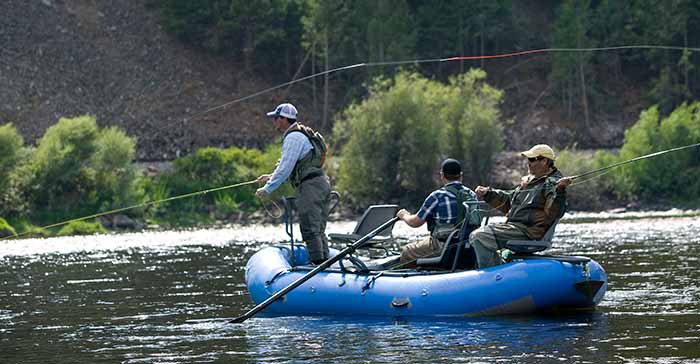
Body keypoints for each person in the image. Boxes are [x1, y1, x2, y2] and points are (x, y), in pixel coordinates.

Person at [470, 144, 572, 268]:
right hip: (515, 228)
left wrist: (560, 190)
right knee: (472, 236)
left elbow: (554, 212)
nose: (527, 163)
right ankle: (495, 269)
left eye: (531, 159)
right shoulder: (530, 182)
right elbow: (508, 201)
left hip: (529, 232)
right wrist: (488, 193)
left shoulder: (552, 184)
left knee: (480, 236)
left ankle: (490, 276)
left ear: (544, 161)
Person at [255, 102, 331, 265]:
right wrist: (270, 177)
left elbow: (285, 168)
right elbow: (288, 164)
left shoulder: (293, 137)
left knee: (310, 228)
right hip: (319, 183)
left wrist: (267, 189)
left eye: (276, 118)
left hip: (310, 186)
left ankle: (318, 265)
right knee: (318, 229)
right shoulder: (298, 134)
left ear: (283, 119)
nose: (274, 121)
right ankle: (324, 263)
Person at [396, 158, 480, 268]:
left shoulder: (437, 196)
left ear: (442, 175)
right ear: (461, 175)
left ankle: (414, 280)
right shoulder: (472, 195)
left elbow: (415, 222)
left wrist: (403, 215)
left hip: (443, 245)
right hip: (469, 245)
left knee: (407, 251)